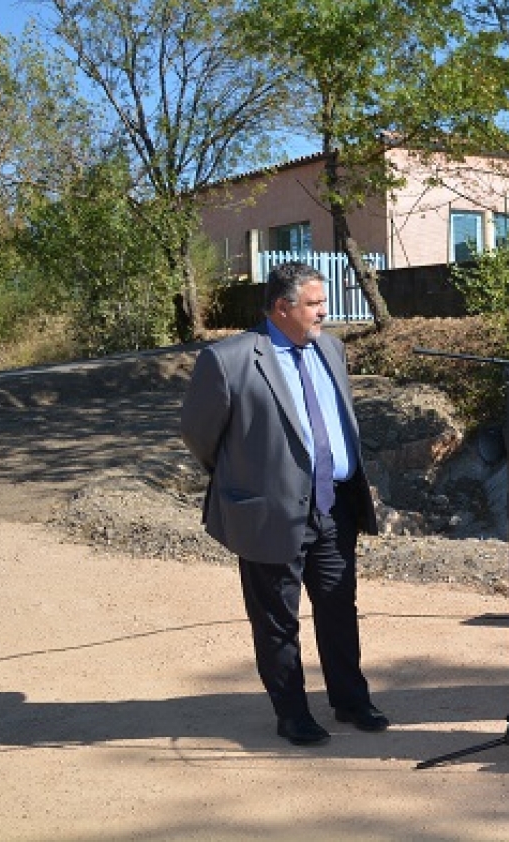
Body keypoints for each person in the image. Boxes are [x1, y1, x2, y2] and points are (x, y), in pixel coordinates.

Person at [180, 261, 387, 747]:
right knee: (277, 618)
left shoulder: (331, 349)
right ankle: (292, 713)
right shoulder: (228, 359)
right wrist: (247, 478)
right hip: (268, 511)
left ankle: (351, 700)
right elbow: (199, 434)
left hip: (334, 507)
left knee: (339, 608)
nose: (324, 311)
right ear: (281, 307)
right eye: (314, 303)